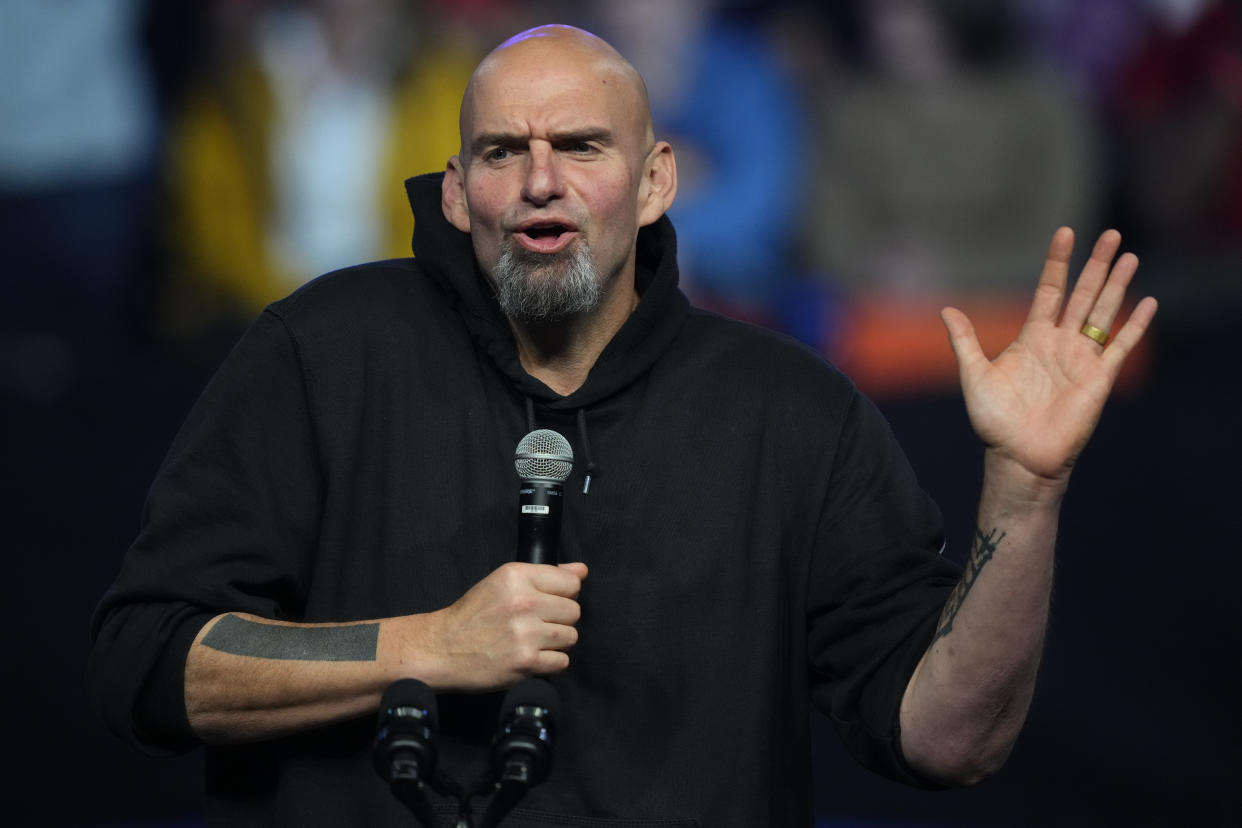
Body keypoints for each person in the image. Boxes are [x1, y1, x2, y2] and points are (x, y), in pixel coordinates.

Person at [87, 24, 1158, 827]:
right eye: (504, 151)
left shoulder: (792, 411)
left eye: (583, 147)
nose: (541, 181)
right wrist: (424, 648)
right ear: (457, 193)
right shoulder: (320, 352)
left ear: (656, 183)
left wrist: (1026, 491)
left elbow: (948, 738)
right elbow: (147, 663)